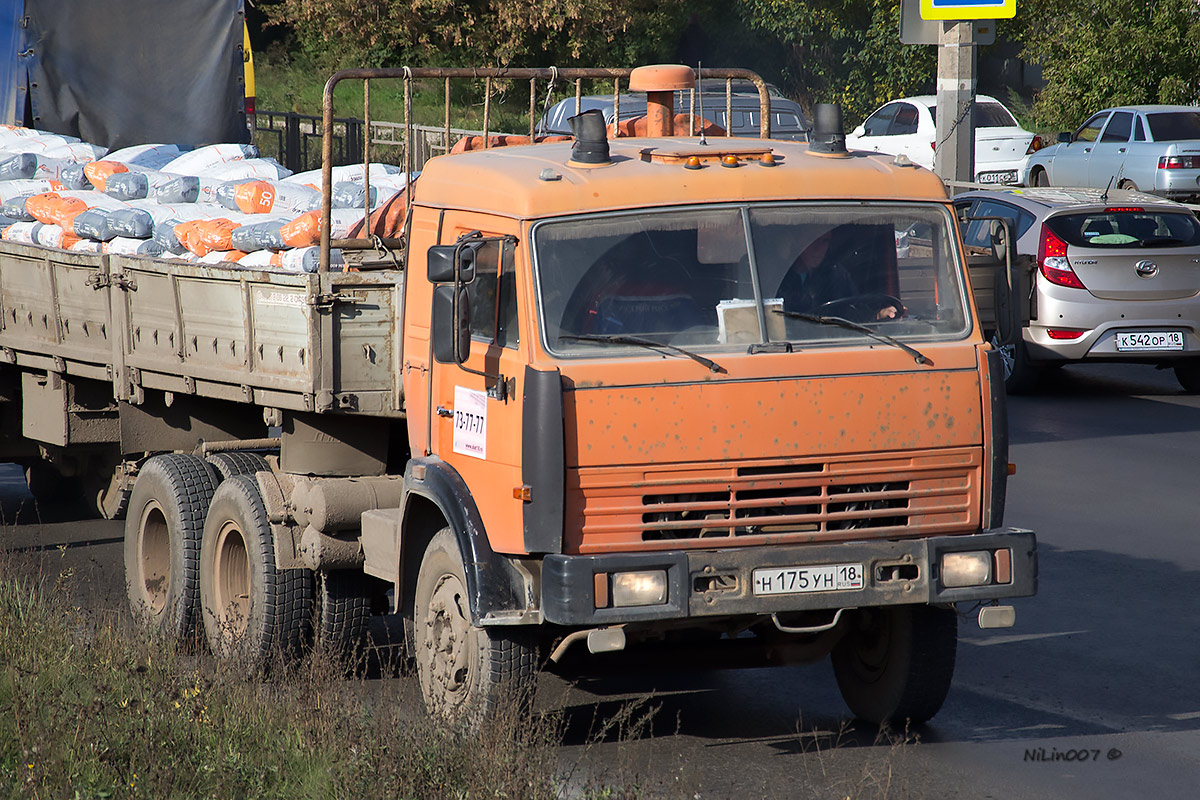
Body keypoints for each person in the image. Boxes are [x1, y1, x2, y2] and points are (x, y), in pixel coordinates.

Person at [776, 227, 900, 321]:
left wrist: (878, 315)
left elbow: (853, 310)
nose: (818, 249)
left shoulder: (835, 274)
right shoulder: (778, 278)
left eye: (824, 241)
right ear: (798, 241)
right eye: (812, 241)